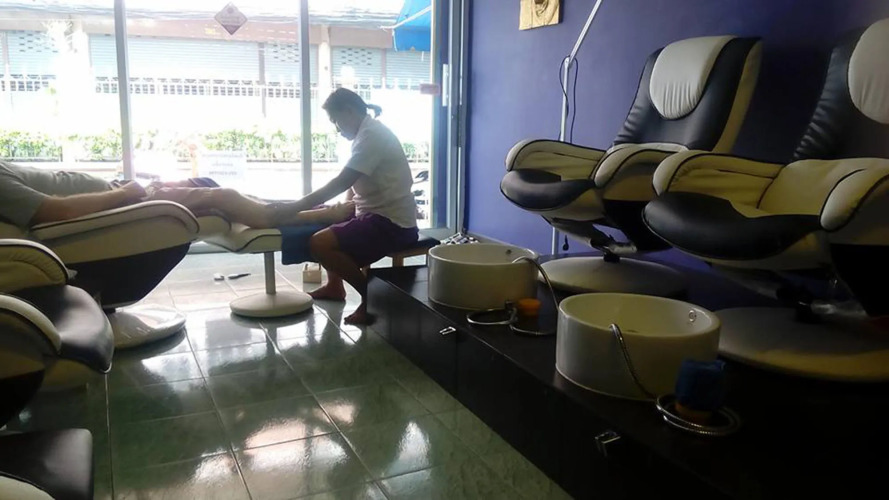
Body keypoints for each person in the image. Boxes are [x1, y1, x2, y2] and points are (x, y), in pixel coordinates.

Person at [274, 88, 419, 325]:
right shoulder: (366, 133)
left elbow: (342, 181)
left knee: (320, 243)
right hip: (376, 213)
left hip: (392, 223)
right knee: (327, 215)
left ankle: (370, 298)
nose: (337, 128)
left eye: (335, 121)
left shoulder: (372, 136)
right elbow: (356, 180)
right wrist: (341, 207)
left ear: (349, 111)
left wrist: (294, 207)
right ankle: (334, 287)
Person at [0, 161, 353, 230]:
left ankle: (320, 210)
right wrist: (124, 192)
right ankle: (324, 214)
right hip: (126, 203)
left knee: (226, 194)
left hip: (123, 194)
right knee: (228, 198)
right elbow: (54, 211)